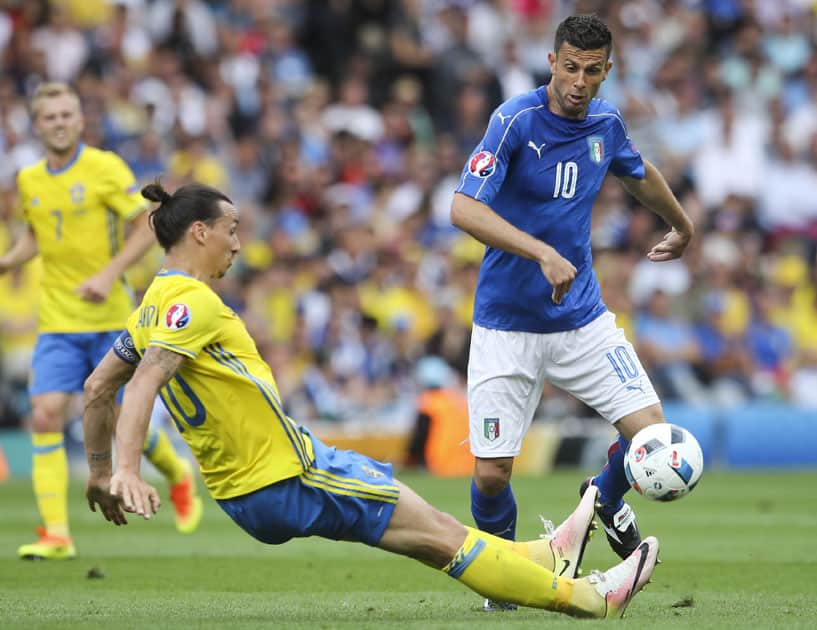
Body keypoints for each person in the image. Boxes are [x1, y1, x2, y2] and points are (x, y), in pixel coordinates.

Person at [82, 181, 659, 619]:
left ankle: (545, 557)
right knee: (441, 540)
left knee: (431, 528)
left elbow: (97, 387)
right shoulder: (193, 301)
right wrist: (128, 469)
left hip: (253, 486)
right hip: (285, 477)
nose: (238, 243)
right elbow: (144, 383)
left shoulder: (150, 306)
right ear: (199, 232)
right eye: (231, 229)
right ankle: (588, 599)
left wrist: (100, 472)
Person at [449, 14, 693, 610]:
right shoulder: (513, 121)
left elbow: (637, 173)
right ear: (552, 62)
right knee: (490, 476)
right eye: (571, 67)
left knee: (654, 437)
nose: (580, 81)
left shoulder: (607, 123)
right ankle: (502, 585)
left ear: (607, 70)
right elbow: (462, 208)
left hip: (582, 321)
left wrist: (682, 224)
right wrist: (540, 252)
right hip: (506, 325)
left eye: (593, 70)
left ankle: (604, 498)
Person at [0, 82, 203, 560]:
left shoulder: (104, 168)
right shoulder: (29, 179)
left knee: (113, 417)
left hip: (112, 316)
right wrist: (9, 262)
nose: (59, 123)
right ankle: (57, 534)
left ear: (80, 120)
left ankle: (175, 473)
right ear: (37, 125)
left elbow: (147, 222)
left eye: (67, 114)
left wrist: (109, 273)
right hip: (57, 319)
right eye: (50, 117)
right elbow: (38, 236)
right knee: (46, 412)